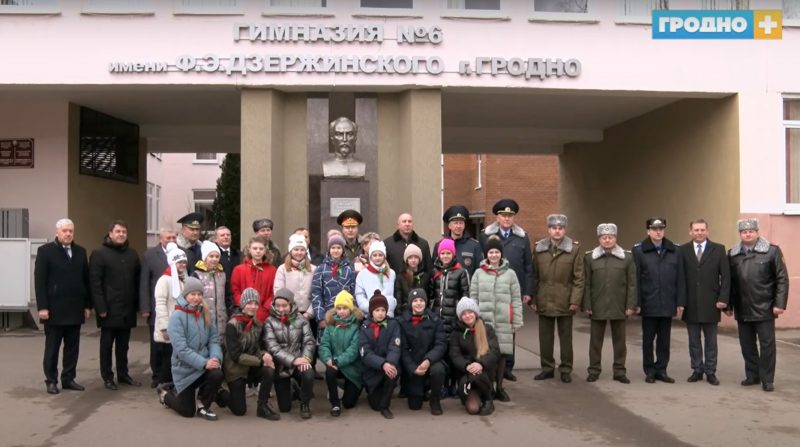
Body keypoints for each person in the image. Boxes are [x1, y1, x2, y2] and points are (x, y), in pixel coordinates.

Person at [728, 218, 789, 392]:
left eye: (751, 231)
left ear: (757, 232)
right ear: (740, 234)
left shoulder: (772, 251)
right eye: (744, 232)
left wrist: (780, 304)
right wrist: (729, 305)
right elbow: (729, 283)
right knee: (747, 345)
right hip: (742, 307)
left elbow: (782, 279)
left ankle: (767, 379)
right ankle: (752, 375)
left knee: (767, 345)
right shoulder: (733, 254)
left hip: (765, 307)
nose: (747, 234)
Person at [479, 199, 534, 381]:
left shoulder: (522, 237)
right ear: (497, 216)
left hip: (511, 291)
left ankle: (508, 368)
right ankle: (491, 365)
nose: (507, 219)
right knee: (490, 329)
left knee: (509, 330)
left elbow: (528, 266)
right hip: (490, 290)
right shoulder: (485, 236)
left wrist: (527, 291)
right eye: (503, 215)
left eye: (510, 216)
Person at [35, 218, 91, 395]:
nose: (68, 234)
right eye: (65, 231)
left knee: (72, 347)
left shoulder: (80, 251)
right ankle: (51, 380)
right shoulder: (45, 252)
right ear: (57, 232)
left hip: (75, 308)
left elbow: (86, 280)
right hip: (54, 310)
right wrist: (42, 307)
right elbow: (40, 281)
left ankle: (68, 378)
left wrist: (87, 305)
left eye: (71, 231)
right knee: (52, 348)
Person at [158, 277, 224, 420]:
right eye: (192, 294)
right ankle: (165, 395)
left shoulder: (205, 313)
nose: (196, 298)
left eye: (199, 294)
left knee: (217, 373)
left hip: (203, 365)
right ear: (185, 295)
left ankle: (202, 404)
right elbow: (181, 349)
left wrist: (215, 357)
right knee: (187, 412)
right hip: (184, 370)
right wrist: (204, 363)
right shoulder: (176, 317)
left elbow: (213, 340)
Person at [632, 217, 686, 384]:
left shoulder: (675, 250)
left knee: (664, 340)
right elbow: (635, 279)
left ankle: (661, 370)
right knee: (648, 340)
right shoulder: (639, 251)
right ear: (648, 231)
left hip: (668, 302)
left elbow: (681, 278)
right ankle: (649, 370)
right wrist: (637, 303)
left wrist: (680, 302)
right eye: (654, 229)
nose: (658, 232)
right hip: (648, 303)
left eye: (661, 229)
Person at [531, 214, 584, 383]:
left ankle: (566, 369)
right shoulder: (539, 249)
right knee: (545, 338)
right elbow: (534, 276)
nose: (557, 231)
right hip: (544, 299)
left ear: (564, 229)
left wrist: (575, 300)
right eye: (554, 228)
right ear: (549, 229)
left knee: (565, 339)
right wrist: (533, 299)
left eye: (560, 228)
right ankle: (547, 368)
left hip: (565, 301)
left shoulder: (574, 249)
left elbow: (579, 278)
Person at [90, 220, 142, 390]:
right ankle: (107, 376)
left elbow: (137, 280)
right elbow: (95, 283)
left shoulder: (132, 254)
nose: (121, 234)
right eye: (118, 231)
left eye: (124, 232)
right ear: (110, 233)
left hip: (127, 308)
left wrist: (138, 305)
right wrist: (100, 308)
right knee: (106, 345)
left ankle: (123, 373)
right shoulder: (99, 254)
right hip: (109, 309)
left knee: (123, 344)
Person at [470, 236, 522, 402]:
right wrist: (474, 319)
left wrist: (517, 321)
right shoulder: (478, 273)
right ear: (486, 254)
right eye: (491, 252)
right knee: (486, 354)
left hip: (504, 320)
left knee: (501, 356)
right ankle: (488, 387)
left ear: (501, 254)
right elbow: (474, 297)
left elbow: (516, 299)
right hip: (484, 321)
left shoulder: (511, 274)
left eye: (496, 252)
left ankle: (500, 387)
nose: (493, 255)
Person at [583, 223, 637, 384]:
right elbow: (586, 283)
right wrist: (587, 305)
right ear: (599, 239)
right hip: (597, 304)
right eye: (604, 237)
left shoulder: (627, 258)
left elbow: (632, 284)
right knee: (595, 342)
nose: (607, 240)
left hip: (619, 304)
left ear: (615, 238)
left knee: (620, 342)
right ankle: (594, 370)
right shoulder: (589, 258)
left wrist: (630, 305)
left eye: (610, 237)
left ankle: (619, 371)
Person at [680, 219, 730, 386]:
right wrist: (680, 301)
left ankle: (710, 371)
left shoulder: (719, 249)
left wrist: (723, 299)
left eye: (702, 230)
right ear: (690, 232)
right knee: (693, 340)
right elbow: (680, 277)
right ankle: (697, 370)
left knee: (711, 341)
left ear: (707, 231)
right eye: (696, 230)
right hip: (691, 303)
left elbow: (726, 276)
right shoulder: (683, 250)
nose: (699, 233)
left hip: (712, 302)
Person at [217, 288, 280, 420]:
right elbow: (236, 356)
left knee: (269, 369)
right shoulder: (232, 325)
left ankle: (262, 406)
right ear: (243, 304)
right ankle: (220, 393)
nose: (253, 307)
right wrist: (260, 360)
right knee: (239, 410)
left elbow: (258, 347)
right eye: (249, 303)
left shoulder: (257, 324)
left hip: (250, 366)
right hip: (235, 369)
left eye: (256, 303)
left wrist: (264, 355)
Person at [262, 288, 316, 418]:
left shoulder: (302, 320)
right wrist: (293, 360)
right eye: (278, 305)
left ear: (291, 304)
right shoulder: (269, 321)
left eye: (284, 305)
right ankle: (293, 387)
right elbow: (273, 347)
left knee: (308, 374)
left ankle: (305, 403)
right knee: (285, 408)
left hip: (299, 361)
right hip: (281, 366)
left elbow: (309, 341)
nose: (281, 309)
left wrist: (305, 358)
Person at [398, 288, 447, 415]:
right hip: (413, 365)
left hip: (430, 361)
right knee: (414, 406)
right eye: (415, 301)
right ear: (410, 303)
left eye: (421, 300)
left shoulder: (435, 320)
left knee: (439, 369)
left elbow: (440, 344)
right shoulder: (402, 321)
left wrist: (428, 360)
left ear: (426, 302)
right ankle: (420, 390)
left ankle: (435, 400)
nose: (418, 303)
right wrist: (412, 367)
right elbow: (402, 349)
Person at [449, 297, 500, 416]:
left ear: (476, 313)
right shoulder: (456, 333)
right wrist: (467, 366)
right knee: (473, 409)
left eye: (470, 312)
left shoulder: (487, 329)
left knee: (477, 376)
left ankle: (488, 398)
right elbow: (454, 355)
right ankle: (476, 396)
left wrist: (480, 364)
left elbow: (495, 351)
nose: (468, 316)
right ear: (460, 317)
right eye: (464, 314)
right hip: (466, 375)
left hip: (484, 374)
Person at [139, 228, 177, 388]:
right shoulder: (150, 255)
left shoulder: (182, 254)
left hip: (176, 307)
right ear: (161, 239)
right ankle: (157, 375)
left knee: (174, 344)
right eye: (168, 237)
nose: (172, 240)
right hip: (158, 307)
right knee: (157, 345)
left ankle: (171, 375)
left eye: (174, 237)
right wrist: (145, 308)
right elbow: (144, 282)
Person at [318, 290, 365, 416]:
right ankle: (334, 404)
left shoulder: (357, 326)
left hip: (351, 367)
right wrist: (328, 359)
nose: (341, 311)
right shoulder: (331, 324)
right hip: (334, 364)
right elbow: (324, 345)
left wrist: (337, 361)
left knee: (349, 404)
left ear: (350, 309)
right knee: (329, 371)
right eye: (338, 308)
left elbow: (354, 350)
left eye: (345, 308)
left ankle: (351, 387)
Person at [359, 291, 402, 419]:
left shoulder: (393, 324)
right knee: (374, 404)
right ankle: (371, 390)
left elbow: (395, 346)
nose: (380, 313)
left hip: (388, 366)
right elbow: (365, 352)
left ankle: (385, 406)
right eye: (377, 310)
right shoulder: (365, 327)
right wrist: (382, 364)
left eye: (383, 310)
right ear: (372, 311)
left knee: (393, 372)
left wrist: (389, 363)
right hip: (373, 370)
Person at [153, 243, 188, 387]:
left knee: (176, 358)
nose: (182, 265)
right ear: (173, 262)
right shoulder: (164, 280)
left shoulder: (183, 279)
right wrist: (164, 327)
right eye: (179, 262)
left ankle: (173, 385)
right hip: (168, 328)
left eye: (184, 262)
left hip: (180, 327)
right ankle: (163, 386)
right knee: (168, 359)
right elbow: (160, 304)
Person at [311, 233, 356, 333]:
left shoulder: (350, 268)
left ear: (343, 250)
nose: (336, 250)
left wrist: (353, 314)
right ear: (329, 250)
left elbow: (353, 292)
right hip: (327, 315)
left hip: (346, 315)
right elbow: (316, 294)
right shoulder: (320, 269)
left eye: (339, 248)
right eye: (333, 248)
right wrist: (320, 317)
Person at [231, 236, 276, 322]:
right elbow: (235, 291)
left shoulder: (272, 270)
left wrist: (263, 310)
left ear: (265, 251)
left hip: (264, 315)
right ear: (249, 250)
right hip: (243, 314)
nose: (258, 251)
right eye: (255, 248)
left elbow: (273, 292)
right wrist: (246, 307)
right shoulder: (238, 270)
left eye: (261, 248)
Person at [430, 238, 470, 336]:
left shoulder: (461, 272)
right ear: (439, 255)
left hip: (454, 317)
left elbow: (465, 294)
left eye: (448, 253)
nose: (445, 256)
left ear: (453, 254)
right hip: (437, 316)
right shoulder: (435, 272)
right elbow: (431, 295)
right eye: (443, 253)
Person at [275, 234, 316, 322]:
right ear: (291, 251)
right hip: (289, 314)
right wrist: (287, 310)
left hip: (308, 315)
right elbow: (278, 291)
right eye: (296, 249)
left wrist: (309, 313)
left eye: (302, 250)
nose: (299, 252)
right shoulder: (282, 269)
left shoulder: (313, 269)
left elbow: (317, 292)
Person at [432, 205, 483, 277]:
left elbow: (479, 272)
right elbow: (434, 270)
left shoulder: (474, 246)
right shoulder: (439, 245)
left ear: (464, 225)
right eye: (455, 223)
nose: (458, 226)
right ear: (449, 226)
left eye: (461, 223)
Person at [193, 240, 228, 337]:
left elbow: (227, 296)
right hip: (203, 317)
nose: (214, 259)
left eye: (217, 257)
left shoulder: (222, 275)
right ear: (205, 258)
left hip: (221, 319)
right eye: (211, 256)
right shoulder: (197, 274)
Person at [355, 240, 397, 317]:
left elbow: (395, 293)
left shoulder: (391, 273)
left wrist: (392, 303)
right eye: (375, 255)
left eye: (380, 255)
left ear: (384, 256)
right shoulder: (363, 274)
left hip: (389, 315)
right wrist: (372, 307)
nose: (377, 258)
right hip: (371, 315)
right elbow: (360, 295)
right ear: (370, 257)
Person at [394, 244, 431, 314]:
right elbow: (399, 299)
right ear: (406, 260)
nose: (413, 260)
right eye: (410, 257)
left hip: (422, 314)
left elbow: (428, 297)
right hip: (405, 315)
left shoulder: (425, 277)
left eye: (416, 257)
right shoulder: (401, 277)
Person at [214, 226, 241, 315]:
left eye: (228, 235)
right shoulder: (212, 256)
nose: (226, 237)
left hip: (237, 296)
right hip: (220, 297)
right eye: (222, 235)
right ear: (216, 239)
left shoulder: (239, 254)